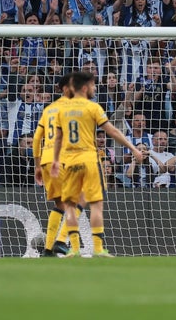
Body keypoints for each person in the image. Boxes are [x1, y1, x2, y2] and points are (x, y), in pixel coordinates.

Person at [51, 71, 143, 257]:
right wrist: (133, 148)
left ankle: (63, 242)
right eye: (93, 85)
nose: (94, 89)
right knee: (96, 205)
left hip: (69, 161)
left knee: (74, 202)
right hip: (89, 159)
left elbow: (58, 137)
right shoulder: (92, 107)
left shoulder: (63, 109)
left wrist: (55, 160)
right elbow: (113, 132)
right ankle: (98, 248)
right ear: (84, 88)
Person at [33, 72, 74, 256]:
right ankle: (60, 240)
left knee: (60, 205)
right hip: (63, 159)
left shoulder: (48, 109)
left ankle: (48, 250)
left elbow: (36, 139)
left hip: (46, 161)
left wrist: (37, 165)